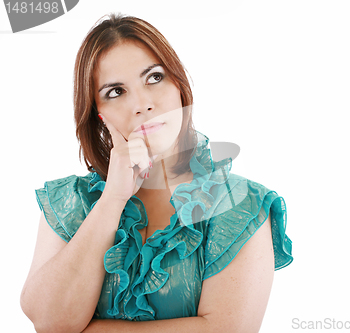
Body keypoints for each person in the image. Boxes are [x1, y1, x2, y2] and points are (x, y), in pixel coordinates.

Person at [20, 13, 293, 333]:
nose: (142, 103)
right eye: (116, 92)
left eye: (154, 77)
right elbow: (50, 322)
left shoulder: (240, 205)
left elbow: (227, 329)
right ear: (99, 115)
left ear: (179, 84)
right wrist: (113, 199)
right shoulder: (72, 202)